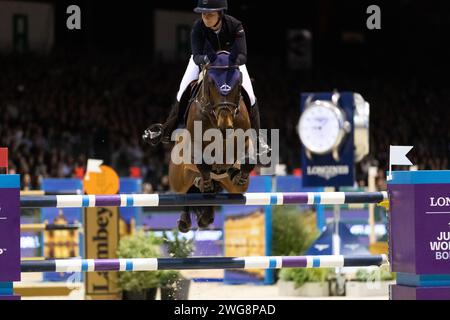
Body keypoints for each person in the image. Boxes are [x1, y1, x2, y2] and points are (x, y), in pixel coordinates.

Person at [143, 0, 271, 157]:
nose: (206, 18)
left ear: (220, 14)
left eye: (210, 14)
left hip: (231, 62)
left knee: (250, 96)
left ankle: (258, 140)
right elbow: (196, 56)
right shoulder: (198, 27)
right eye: (203, 14)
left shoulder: (235, 25)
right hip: (205, 62)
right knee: (182, 91)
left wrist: (226, 63)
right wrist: (209, 62)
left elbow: (243, 56)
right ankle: (167, 130)